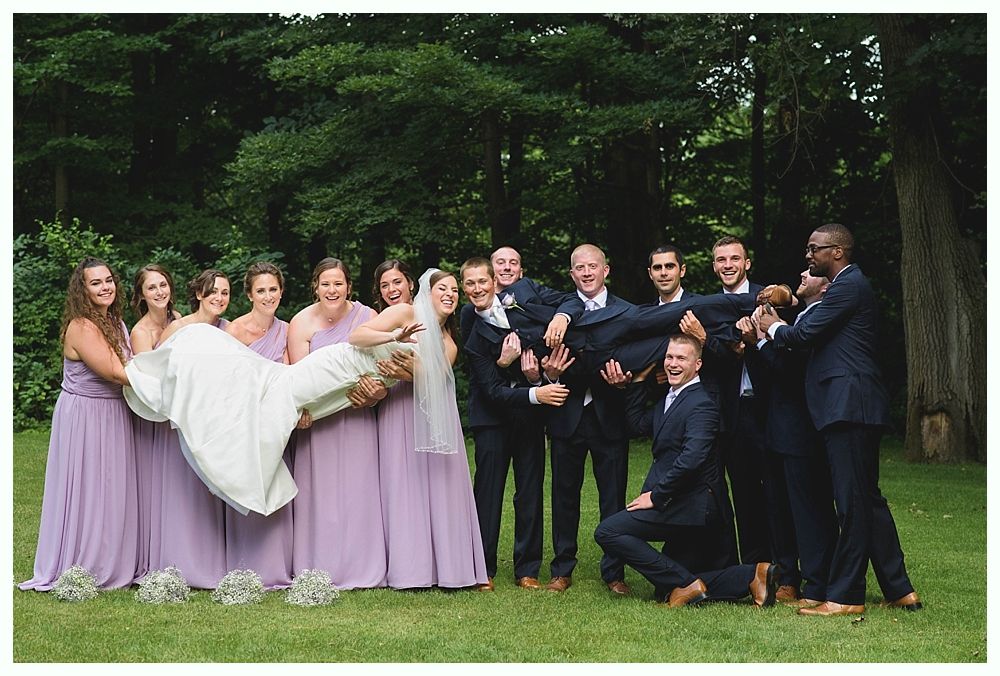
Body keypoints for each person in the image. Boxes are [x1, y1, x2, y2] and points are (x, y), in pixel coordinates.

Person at [755, 223, 921, 616]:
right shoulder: (845, 287)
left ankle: (846, 595)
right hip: (848, 407)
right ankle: (900, 589)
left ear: (837, 252)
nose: (808, 256)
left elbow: (803, 333)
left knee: (852, 505)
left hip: (849, 406)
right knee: (867, 500)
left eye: (815, 249)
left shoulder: (848, 284)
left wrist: (771, 327)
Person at [593, 334, 779, 608]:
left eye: (681, 358)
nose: (673, 363)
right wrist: (639, 379)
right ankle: (752, 575)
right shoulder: (670, 398)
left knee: (608, 531)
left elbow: (692, 459)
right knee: (664, 589)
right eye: (669, 357)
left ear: (698, 364)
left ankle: (686, 583)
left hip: (692, 506)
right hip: (682, 504)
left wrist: (656, 496)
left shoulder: (701, 404)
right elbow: (635, 424)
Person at [355, 267, 489, 588]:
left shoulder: (448, 341)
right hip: (398, 412)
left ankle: (449, 569)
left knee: (441, 490)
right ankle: (409, 571)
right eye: (442, 288)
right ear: (426, 293)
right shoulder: (404, 312)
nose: (449, 294)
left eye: (455, 291)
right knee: (402, 486)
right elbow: (358, 336)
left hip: (434, 418)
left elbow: (434, 377)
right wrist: (395, 338)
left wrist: (412, 371)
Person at [20, 257, 139, 591]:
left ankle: (111, 559)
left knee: (111, 489)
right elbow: (116, 372)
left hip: (114, 413)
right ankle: (83, 562)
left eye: (108, 280)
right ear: (82, 289)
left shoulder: (116, 322)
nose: (105, 287)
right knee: (88, 488)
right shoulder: (82, 326)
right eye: (96, 283)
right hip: (86, 416)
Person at [460, 256, 570, 591]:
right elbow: (485, 381)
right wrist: (504, 362)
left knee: (530, 489)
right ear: (464, 288)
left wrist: (539, 376)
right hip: (492, 417)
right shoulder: (467, 320)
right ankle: (483, 568)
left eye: (483, 281)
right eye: (470, 283)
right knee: (488, 491)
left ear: (495, 281)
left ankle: (528, 568)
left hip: (528, 415)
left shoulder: (520, 305)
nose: (478, 288)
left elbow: (562, 310)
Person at [287, 257, 388, 589]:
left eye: (338, 283)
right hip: (319, 422)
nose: (332, 290)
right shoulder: (300, 323)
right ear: (315, 286)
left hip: (358, 418)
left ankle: (363, 566)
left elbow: (381, 370)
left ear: (349, 287)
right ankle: (318, 564)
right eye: (325, 283)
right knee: (319, 495)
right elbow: (299, 380)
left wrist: (373, 395)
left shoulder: (368, 317)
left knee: (359, 491)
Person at [744, 270, 838, 606]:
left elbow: (792, 371)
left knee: (807, 510)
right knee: (780, 507)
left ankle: (817, 582)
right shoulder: (800, 315)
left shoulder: (816, 321)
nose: (803, 272)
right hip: (777, 428)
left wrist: (760, 341)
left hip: (801, 430)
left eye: (811, 272)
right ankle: (789, 576)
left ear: (825, 286)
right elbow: (784, 294)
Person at [145, 269, 231, 588]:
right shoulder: (178, 328)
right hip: (181, 420)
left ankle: (213, 561)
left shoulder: (228, 330)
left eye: (224, 292)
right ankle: (180, 562)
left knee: (211, 491)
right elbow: (157, 371)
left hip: (214, 424)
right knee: (184, 492)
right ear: (199, 295)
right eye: (213, 292)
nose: (219, 298)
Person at [223, 262, 294, 589]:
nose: (268, 296)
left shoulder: (287, 329)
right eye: (261, 290)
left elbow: (291, 375)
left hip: (276, 424)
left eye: (273, 289)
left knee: (275, 491)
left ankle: (276, 565)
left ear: (281, 291)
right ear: (250, 294)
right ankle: (240, 563)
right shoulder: (233, 331)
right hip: (242, 423)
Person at [708, 235, 771, 566]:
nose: (728, 265)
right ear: (714, 266)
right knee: (743, 492)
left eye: (734, 259)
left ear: (746, 263)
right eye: (721, 260)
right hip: (730, 411)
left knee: (775, 490)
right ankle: (751, 567)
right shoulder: (708, 308)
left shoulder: (769, 300)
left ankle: (785, 568)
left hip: (767, 408)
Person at [128, 264, 182, 581]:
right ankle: (160, 554)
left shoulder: (180, 321)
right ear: (142, 295)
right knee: (163, 485)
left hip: (185, 414)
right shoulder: (140, 333)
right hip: (160, 418)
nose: (160, 292)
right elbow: (150, 383)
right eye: (152, 288)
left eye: (163, 285)